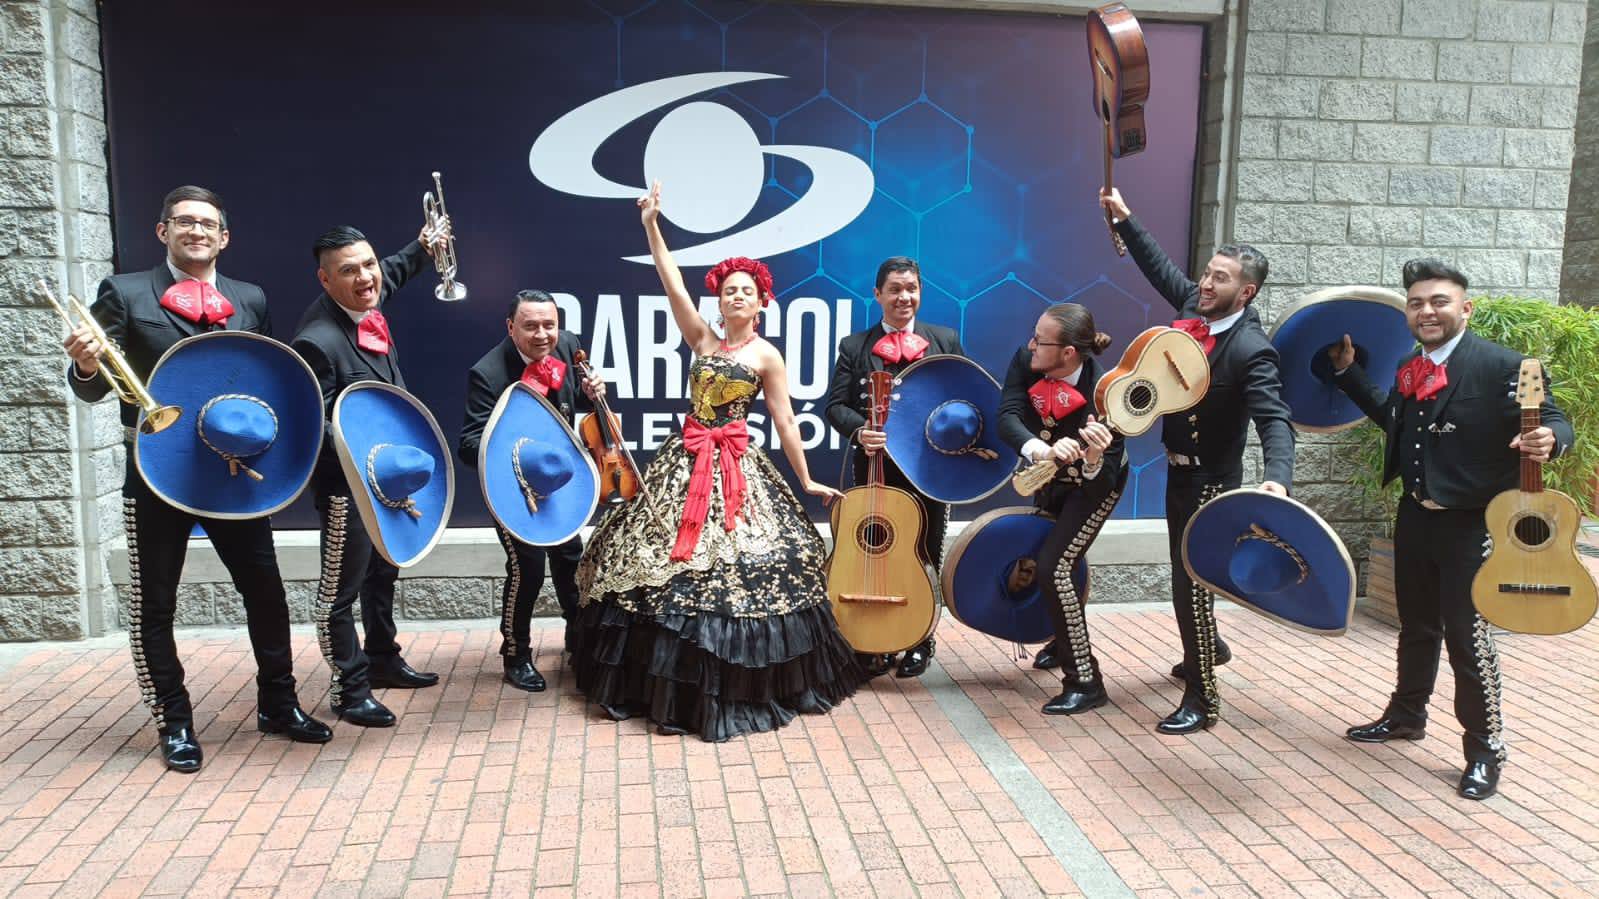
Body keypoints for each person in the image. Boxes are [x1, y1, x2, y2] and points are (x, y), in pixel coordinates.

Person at [570, 182, 862, 741]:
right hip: (685, 461)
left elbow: (783, 420)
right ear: (719, 299)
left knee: (746, 569)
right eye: (728, 289)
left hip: (736, 468)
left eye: (745, 290)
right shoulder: (701, 339)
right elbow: (669, 280)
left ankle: (734, 684)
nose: (736, 297)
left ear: (761, 301)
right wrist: (652, 226)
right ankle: (660, 683)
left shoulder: (766, 356)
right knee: (654, 561)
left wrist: (806, 480)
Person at [62, 185, 330, 772]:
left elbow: (260, 378)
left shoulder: (249, 297)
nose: (196, 231)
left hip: (234, 475)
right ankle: (174, 721)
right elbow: (94, 385)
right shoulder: (126, 293)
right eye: (183, 222)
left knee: (266, 591)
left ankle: (278, 705)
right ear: (163, 232)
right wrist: (84, 363)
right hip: (158, 476)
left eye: (207, 223)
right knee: (154, 604)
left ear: (224, 236)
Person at [1330, 258, 1573, 800]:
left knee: (1469, 639)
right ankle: (1406, 716)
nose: (1427, 311)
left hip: (1475, 524)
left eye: (1439, 301)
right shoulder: (1408, 369)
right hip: (1416, 516)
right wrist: (1348, 373)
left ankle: (1485, 751)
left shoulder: (1502, 364)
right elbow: (1392, 420)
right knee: (1416, 627)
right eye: (1417, 303)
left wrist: (1550, 441)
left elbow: (1552, 417)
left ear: (1465, 307)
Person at [1099, 187, 1295, 734]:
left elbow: (1275, 420)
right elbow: (1162, 272)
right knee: (1191, 581)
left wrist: (1277, 479)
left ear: (1246, 292)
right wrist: (1126, 217)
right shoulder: (1195, 309)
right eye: (1207, 274)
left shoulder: (1251, 349)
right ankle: (1206, 646)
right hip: (1177, 473)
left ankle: (1203, 700)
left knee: (1191, 583)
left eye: (1220, 279)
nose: (1206, 284)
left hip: (1212, 482)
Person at [291, 222, 443, 727]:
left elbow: (390, 275)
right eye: (349, 271)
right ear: (324, 279)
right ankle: (349, 689)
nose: (365, 278)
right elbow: (319, 427)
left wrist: (422, 248)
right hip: (346, 488)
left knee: (384, 572)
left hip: (385, 480)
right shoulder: (318, 341)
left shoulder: (365, 296)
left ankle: (382, 659)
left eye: (369, 264)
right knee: (340, 592)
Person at [823, 256, 963, 677]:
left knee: (925, 550)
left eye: (911, 288)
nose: (904, 297)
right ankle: (872, 640)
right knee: (873, 550)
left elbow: (963, 403)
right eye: (895, 289)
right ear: (878, 295)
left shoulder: (945, 339)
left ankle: (921, 638)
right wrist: (858, 431)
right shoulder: (855, 347)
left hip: (928, 470)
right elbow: (835, 406)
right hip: (874, 468)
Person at [459, 289, 601, 691]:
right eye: (531, 326)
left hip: (557, 480)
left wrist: (594, 396)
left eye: (549, 325)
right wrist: (507, 447)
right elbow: (469, 446)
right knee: (527, 570)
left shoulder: (569, 345)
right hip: (513, 485)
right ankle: (515, 654)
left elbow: (583, 408)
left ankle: (580, 640)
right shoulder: (487, 372)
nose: (542, 335)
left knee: (570, 558)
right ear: (511, 327)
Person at [996, 304, 1126, 715]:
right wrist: (1042, 449)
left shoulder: (1110, 391)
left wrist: (1090, 456)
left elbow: (1103, 475)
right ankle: (1061, 636)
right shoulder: (1025, 359)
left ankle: (1086, 682)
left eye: (1041, 340)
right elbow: (1007, 416)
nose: (1031, 345)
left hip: (1095, 486)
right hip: (1047, 473)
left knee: (1055, 566)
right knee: (1049, 556)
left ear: (1069, 352)